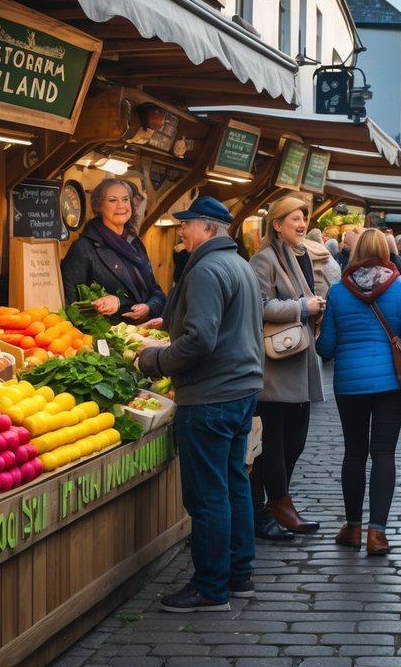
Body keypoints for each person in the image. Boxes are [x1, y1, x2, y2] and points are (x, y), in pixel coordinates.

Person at [135, 196, 262, 612]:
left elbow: (202, 339)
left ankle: (210, 587)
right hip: (240, 391)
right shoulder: (239, 264)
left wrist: (155, 359)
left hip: (210, 396)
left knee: (207, 496)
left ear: (208, 229)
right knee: (234, 484)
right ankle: (238, 574)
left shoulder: (206, 269)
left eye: (186, 226)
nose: (181, 233)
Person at [315, 228, 401, 555]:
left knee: (354, 452)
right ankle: (377, 534)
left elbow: (327, 347)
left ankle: (352, 527)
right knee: (383, 453)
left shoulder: (338, 292)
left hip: (349, 384)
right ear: (386, 251)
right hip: (392, 383)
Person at [249, 196, 325, 535]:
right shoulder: (263, 260)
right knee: (275, 442)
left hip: (299, 359)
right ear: (276, 224)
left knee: (295, 441)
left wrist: (315, 305)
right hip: (275, 367)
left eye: (303, 218)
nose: (301, 223)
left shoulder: (301, 255)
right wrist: (303, 306)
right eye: (294, 218)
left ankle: (269, 505)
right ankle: (277, 504)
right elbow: (260, 306)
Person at [61, 178, 165, 321]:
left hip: (144, 334)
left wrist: (149, 308)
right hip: (108, 339)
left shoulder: (135, 243)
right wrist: (118, 303)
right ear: (99, 206)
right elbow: (72, 307)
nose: (121, 205)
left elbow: (156, 291)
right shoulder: (84, 248)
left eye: (125, 199)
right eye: (112, 200)